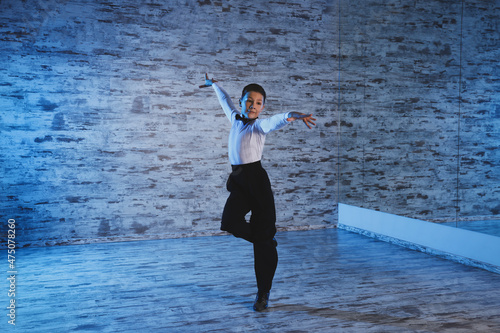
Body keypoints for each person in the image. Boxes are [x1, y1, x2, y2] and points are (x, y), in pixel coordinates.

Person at [201, 73, 316, 311]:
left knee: (261, 246)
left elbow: (276, 120)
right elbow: (224, 100)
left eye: (258, 103)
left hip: (258, 183)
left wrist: (292, 116)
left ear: (262, 107)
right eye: (249, 101)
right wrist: (214, 84)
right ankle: (265, 240)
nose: (253, 106)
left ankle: (263, 293)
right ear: (242, 101)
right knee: (230, 222)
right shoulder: (234, 118)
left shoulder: (259, 127)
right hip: (240, 182)